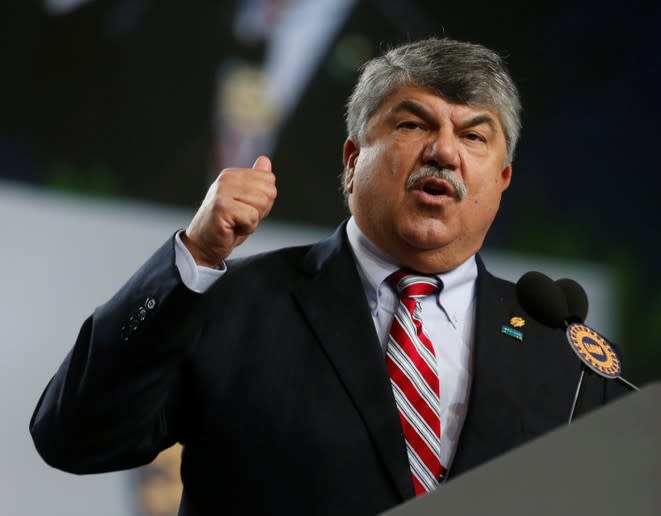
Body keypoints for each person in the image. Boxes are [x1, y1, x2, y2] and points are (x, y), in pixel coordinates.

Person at [30, 38, 625, 515]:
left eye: (474, 135)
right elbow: (74, 436)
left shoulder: (565, 356)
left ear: (502, 180)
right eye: (414, 125)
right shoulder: (236, 301)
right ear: (350, 161)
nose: (445, 152)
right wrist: (194, 256)